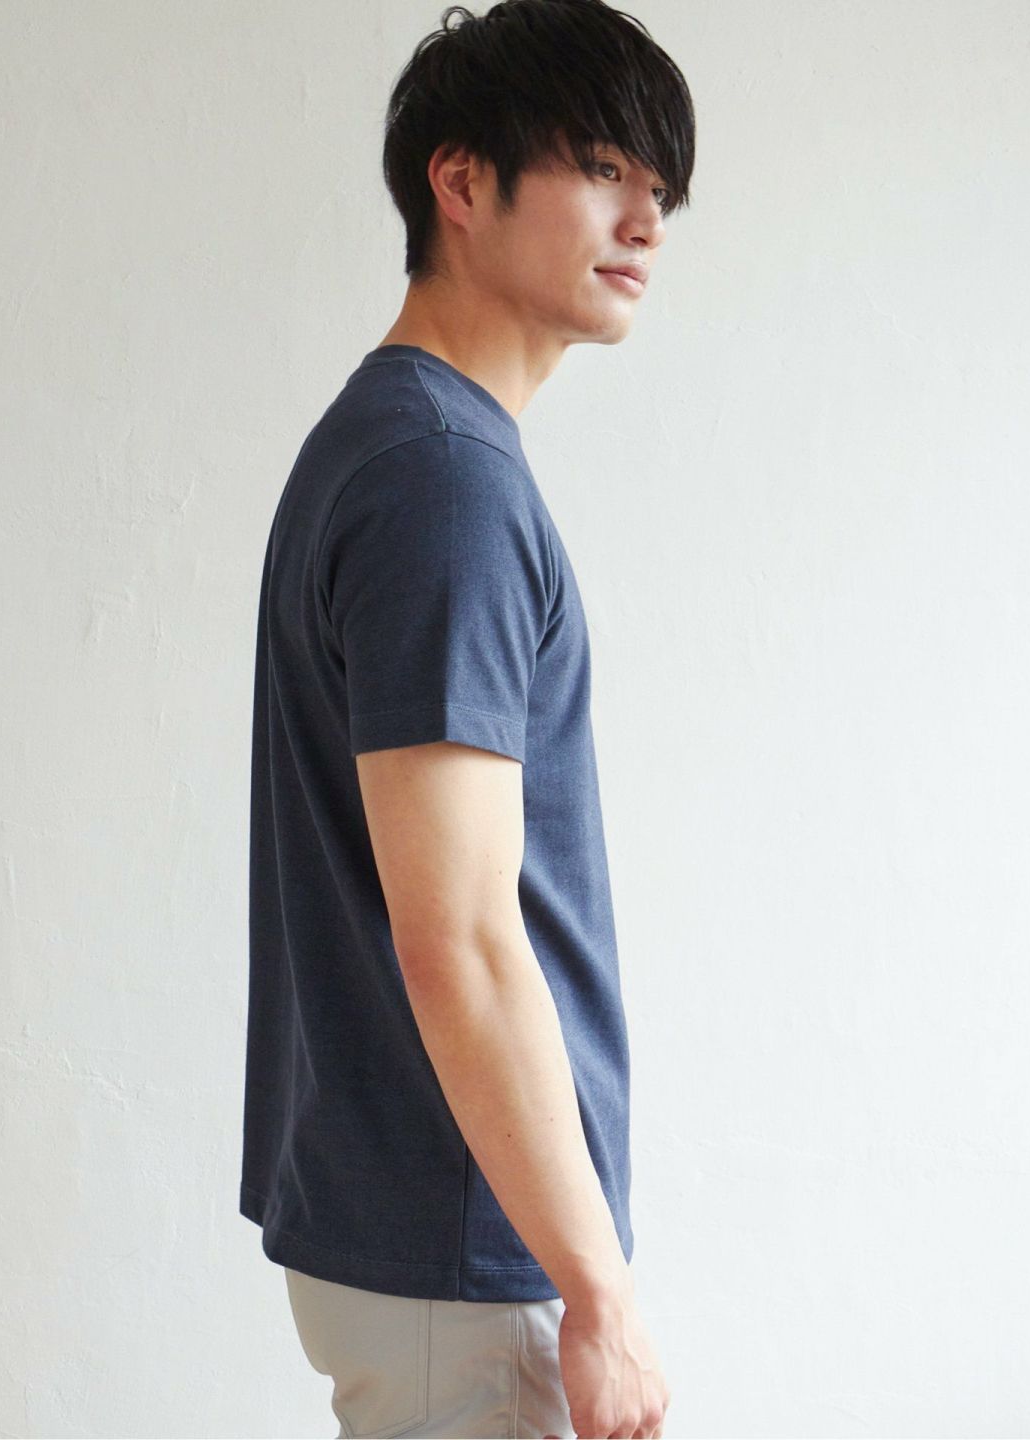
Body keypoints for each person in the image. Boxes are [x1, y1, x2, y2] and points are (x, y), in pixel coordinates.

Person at [239, 1, 695, 1434]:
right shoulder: (441, 480)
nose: (647, 221)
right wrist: (598, 1292)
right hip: (463, 1246)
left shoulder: (406, 446)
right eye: (603, 168)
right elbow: (461, 937)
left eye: (661, 188)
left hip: (439, 1227)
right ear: (460, 180)